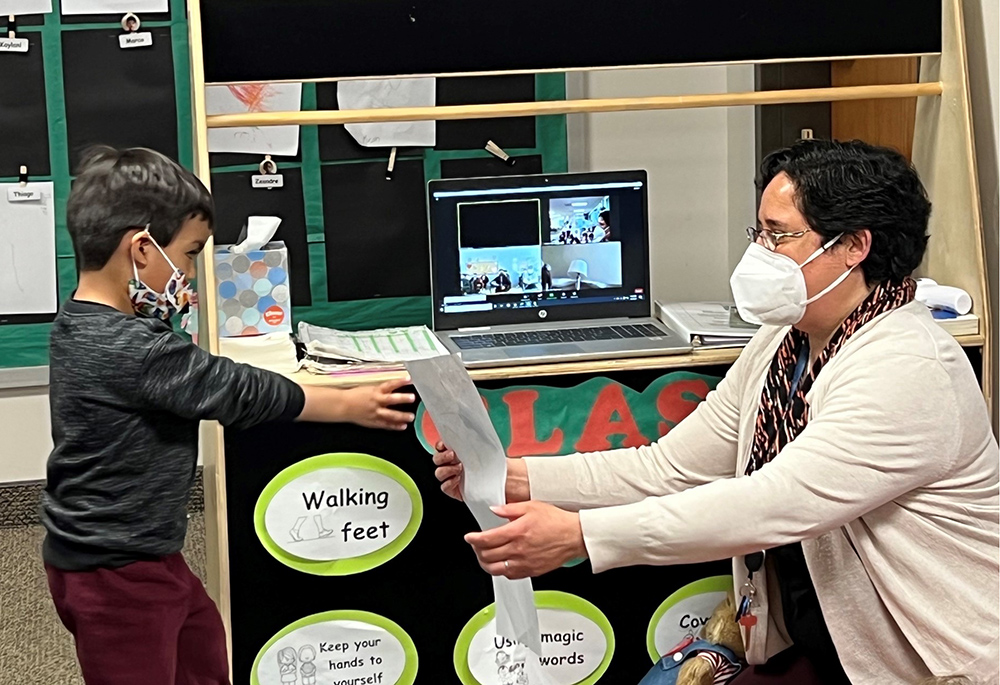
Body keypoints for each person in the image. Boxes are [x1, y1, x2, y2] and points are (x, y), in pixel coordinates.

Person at [432, 140, 999, 684]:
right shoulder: (785, 340)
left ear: (854, 246)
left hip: (929, 663)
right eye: (759, 232)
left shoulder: (907, 368)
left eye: (779, 236)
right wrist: (514, 477)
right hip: (823, 644)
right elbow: (670, 468)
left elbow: (771, 504)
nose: (759, 253)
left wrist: (583, 535)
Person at [43, 146, 416, 685]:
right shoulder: (138, 349)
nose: (191, 272)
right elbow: (235, 390)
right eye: (190, 253)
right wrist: (346, 403)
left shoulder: (76, 322)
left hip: (140, 554)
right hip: (115, 570)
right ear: (142, 249)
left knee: (203, 653)